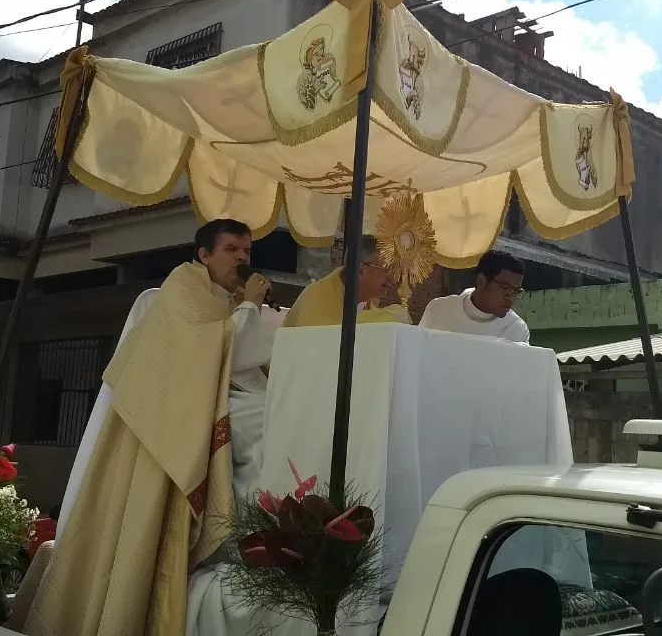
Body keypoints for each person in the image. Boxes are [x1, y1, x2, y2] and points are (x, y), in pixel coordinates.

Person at [23, 218, 285, 636]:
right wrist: (250, 307)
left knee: (275, 420)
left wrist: (249, 308)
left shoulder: (227, 299)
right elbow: (219, 354)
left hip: (214, 406)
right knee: (265, 426)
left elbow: (239, 355)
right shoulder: (184, 286)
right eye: (232, 249)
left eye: (247, 251)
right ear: (204, 254)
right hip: (176, 422)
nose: (242, 258)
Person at [281, 235, 410, 327]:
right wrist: (388, 318)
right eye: (387, 269)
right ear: (360, 270)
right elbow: (324, 346)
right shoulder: (319, 296)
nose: (393, 278)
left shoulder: (369, 302)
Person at [419, 250, 530, 343]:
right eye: (505, 288)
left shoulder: (516, 331)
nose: (510, 297)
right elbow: (418, 350)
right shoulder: (439, 310)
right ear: (481, 281)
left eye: (516, 291)